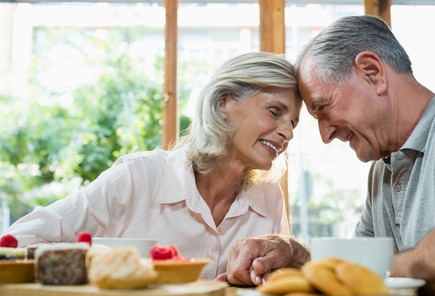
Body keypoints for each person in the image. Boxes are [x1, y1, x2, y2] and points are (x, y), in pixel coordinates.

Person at [221, 15, 435, 296]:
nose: (325, 134)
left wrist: (383, 269)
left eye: (323, 107)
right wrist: (297, 254)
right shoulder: (382, 170)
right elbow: (350, 275)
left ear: (372, 73)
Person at [2, 52, 308, 280]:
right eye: (274, 111)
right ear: (223, 104)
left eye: (293, 122)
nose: (288, 131)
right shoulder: (139, 177)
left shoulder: (269, 198)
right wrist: (102, 266)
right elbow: (19, 240)